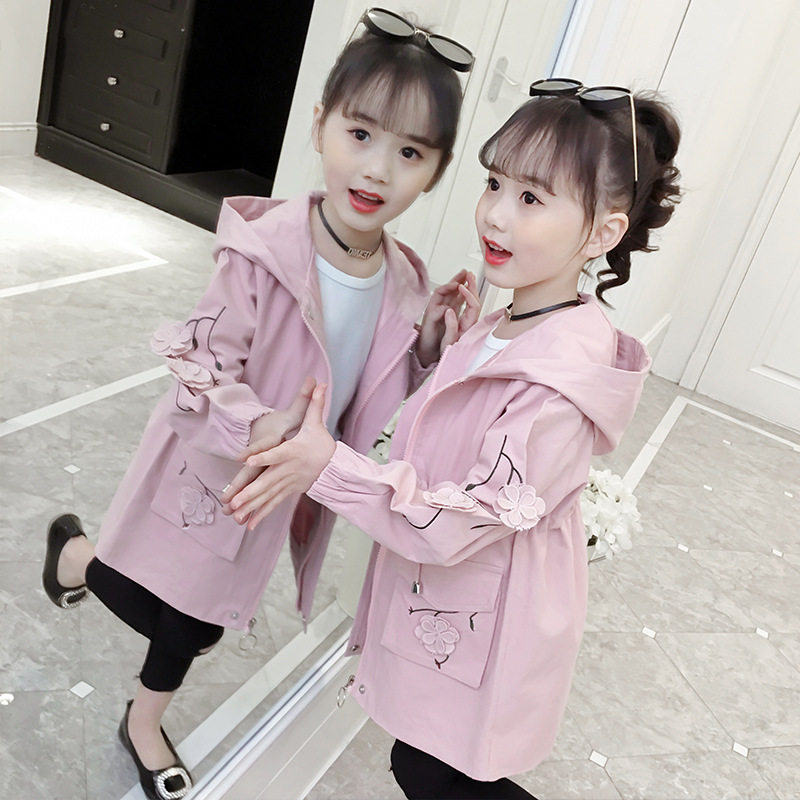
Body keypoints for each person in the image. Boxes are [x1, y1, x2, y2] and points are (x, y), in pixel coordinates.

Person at [41, 10, 479, 800]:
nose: (377, 169)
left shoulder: (405, 279)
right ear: (319, 125)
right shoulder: (264, 250)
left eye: (410, 152)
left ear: (435, 172)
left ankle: (79, 568)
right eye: (360, 134)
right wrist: (261, 422)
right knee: (185, 615)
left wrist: (426, 347)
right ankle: (134, 699)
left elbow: (372, 395)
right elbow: (201, 366)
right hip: (212, 462)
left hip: (280, 483)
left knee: (200, 614)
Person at [222, 78, 682, 798]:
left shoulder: (561, 380)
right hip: (452, 605)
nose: (495, 213)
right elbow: (458, 436)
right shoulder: (511, 319)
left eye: (531, 198)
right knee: (423, 761)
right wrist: (444, 353)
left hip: (487, 618)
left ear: (602, 233)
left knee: (432, 770)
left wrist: (328, 466)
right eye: (495, 183)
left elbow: (457, 521)